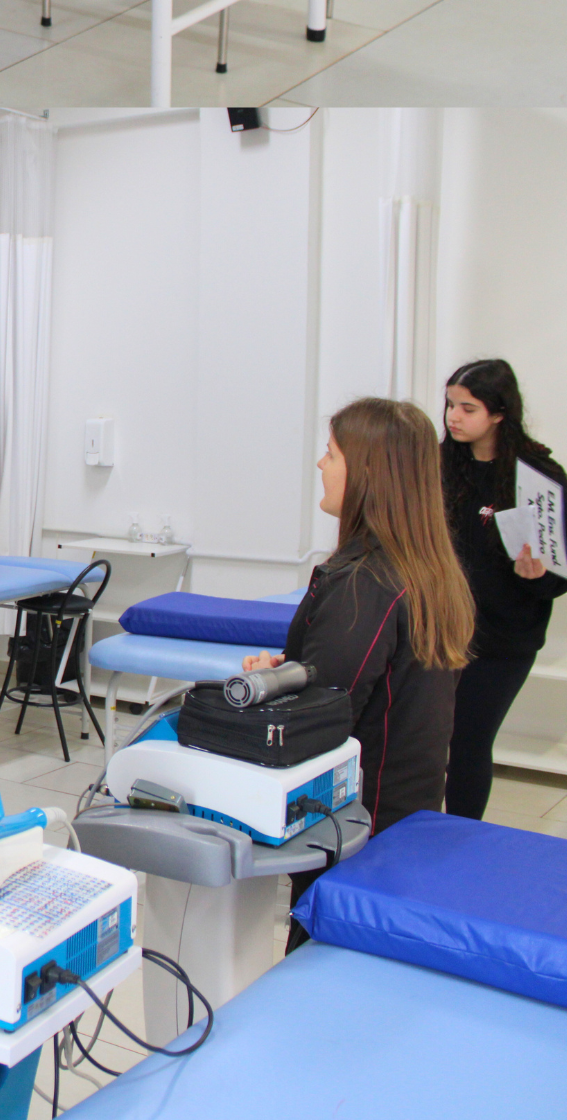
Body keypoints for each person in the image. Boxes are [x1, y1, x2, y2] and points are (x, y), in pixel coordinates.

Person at [242, 399, 474, 946]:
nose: (320, 465)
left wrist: (266, 694)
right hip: (407, 817)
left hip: (355, 831)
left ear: (368, 472)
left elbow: (323, 717)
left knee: (315, 968)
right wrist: (288, 671)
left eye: (331, 454)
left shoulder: (364, 582)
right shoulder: (432, 572)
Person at [440, 360, 567, 819]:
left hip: (503, 640)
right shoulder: (438, 464)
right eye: (450, 405)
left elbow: (559, 573)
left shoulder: (538, 476)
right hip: (441, 630)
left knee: (469, 740)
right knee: (428, 738)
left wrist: (537, 576)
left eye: (467, 408)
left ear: (498, 414)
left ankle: (460, 837)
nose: (453, 417)